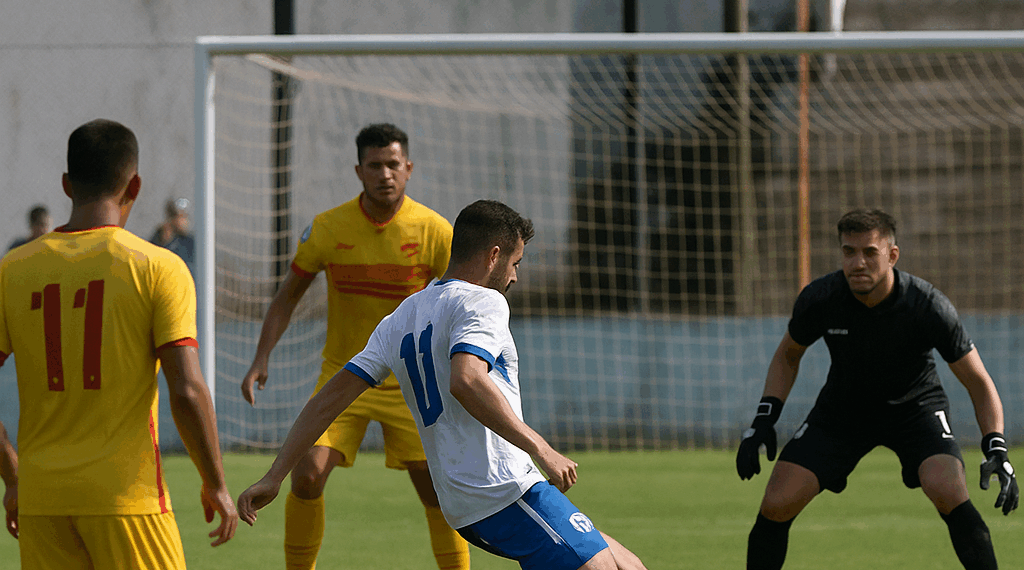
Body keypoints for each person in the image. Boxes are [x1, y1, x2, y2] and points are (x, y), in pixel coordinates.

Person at [238, 200, 649, 570]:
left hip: (466, 501)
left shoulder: (401, 316)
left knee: (626, 563)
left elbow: (326, 400)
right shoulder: (484, 301)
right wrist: (541, 447)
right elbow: (466, 380)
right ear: (493, 256)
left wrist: (274, 475)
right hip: (502, 490)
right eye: (516, 263)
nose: (515, 277)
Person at [0, 119, 237, 567]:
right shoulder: (158, 267)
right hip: (128, 499)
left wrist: (13, 476)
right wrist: (216, 482)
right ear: (135, 186)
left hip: (43, 501)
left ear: (67, 185)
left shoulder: (13, 269)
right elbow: (186, 390)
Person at [239, 123, 468, 569]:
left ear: (409, 169)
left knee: (438, 489)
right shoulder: (328, 227)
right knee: (305, 477)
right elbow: (288, 296)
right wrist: (260, 357)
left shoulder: (434, 230)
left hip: (412, 381)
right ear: (359, 170)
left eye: (394, 165)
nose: (386, 174)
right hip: (346, 376)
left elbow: (464, 301)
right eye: (375, 165)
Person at [736, 209, 1018, 570]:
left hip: (915, 409)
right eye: (849, 251)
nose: (858, 262)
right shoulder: (821, 298)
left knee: (948, 489)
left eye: (870, 252)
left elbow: (978, 382)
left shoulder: (927, 305)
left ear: (892, 255)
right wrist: (763, 420)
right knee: (776, 503)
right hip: (842, 412)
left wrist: (996, 445)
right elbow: (787, 356)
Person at [150, 197, 195, 273]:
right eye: (181, 216)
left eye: (185, 216)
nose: (184, 221)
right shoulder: (159, 237)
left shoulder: (191, 242)